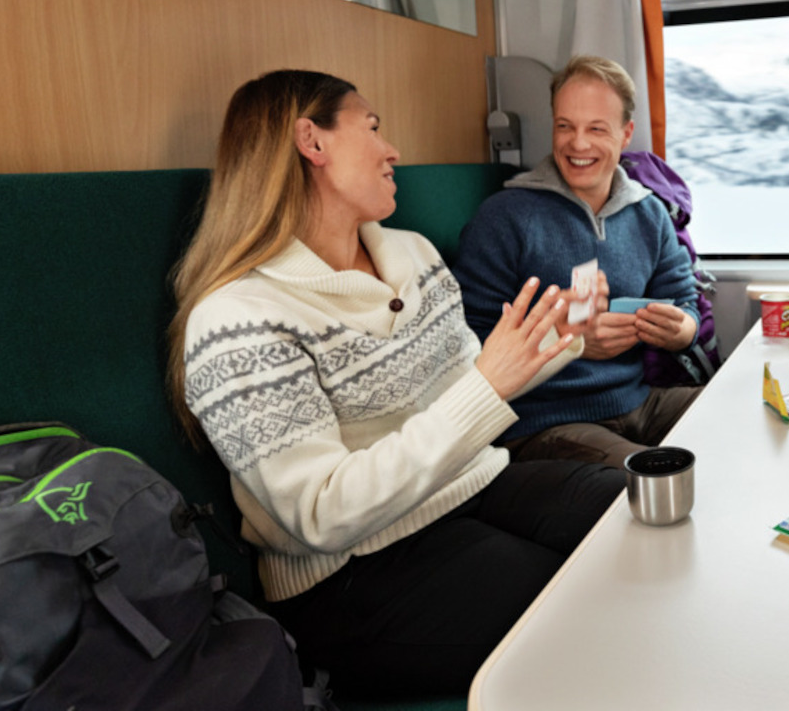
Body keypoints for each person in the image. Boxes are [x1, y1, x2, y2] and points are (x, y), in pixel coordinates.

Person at [167, 70, 626, 700]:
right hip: (351, 572)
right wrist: (486, 384)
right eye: (373, 127)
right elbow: (321, 514)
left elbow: (469, 381)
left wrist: (561, 334)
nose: (392, 151)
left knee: (640, 513)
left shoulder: (412, 254)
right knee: (588, 605)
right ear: (312, 141)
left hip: (467, 488)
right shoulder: (236, 318)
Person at [452, 55, 702, 469]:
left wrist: (679, 331)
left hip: (638, 402)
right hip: (546, 423)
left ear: (626, 134)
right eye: (565, 126)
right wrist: (567, 340)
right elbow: (466, 344)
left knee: (739, 412)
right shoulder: (503, 217)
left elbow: (686, 305)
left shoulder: (650, 213)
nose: (578, 144)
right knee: (653, 478)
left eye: (596, 129)